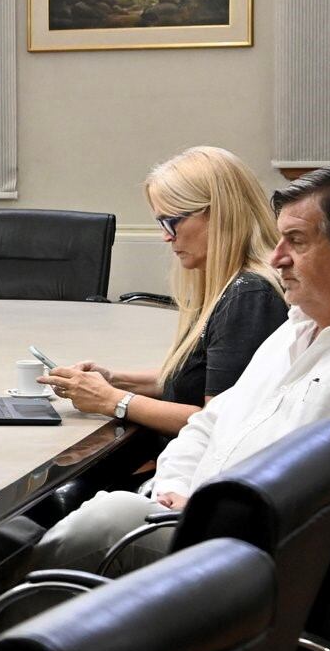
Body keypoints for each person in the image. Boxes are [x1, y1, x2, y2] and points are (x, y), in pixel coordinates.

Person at [36, 162, 330, 573]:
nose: (276, 257)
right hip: (196, 513)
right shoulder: (300, 323)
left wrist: (208, 509)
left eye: (298, 242)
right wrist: (172, 487)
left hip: (269, 552)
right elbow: (210, 424)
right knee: (51, 529)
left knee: (86, 529)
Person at [39, 146, 287, 436]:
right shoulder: (233, 286)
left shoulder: (248, 297)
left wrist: (112, 400)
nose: (166, 236)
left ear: (217, 214)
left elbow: (219, 422)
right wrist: (114, 380)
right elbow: (197, 378)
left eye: (172, 221)